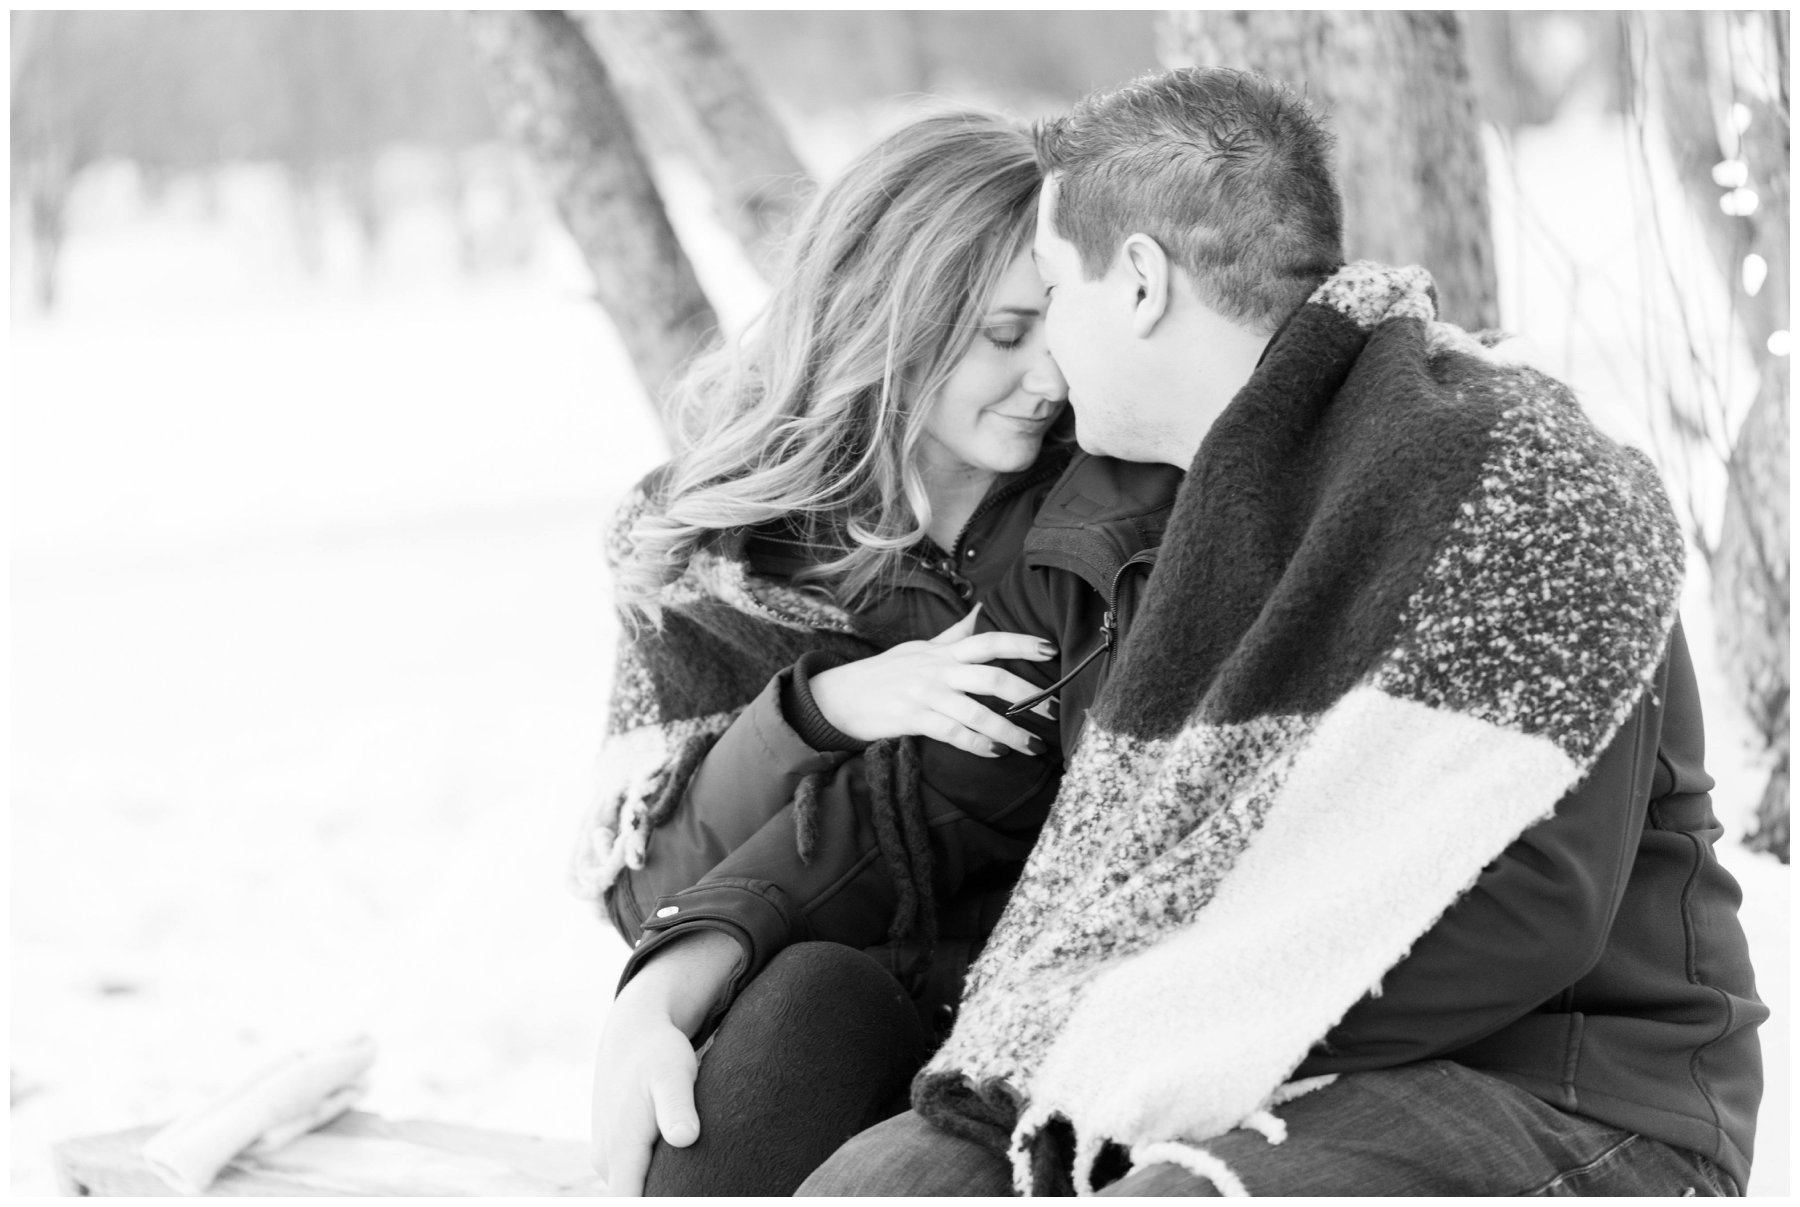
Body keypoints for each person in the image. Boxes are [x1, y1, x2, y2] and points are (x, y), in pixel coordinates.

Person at [797, 66, 1766, 1197]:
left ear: (1143, 284)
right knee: (887, 1183)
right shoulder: (1152, 511)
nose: (1048, 355)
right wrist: (701, 929)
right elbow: (936, 798)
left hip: (1569, 1082)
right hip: (1247, 1063)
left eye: (1055, 290)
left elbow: (1532, 908)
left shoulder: (1520, 484)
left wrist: (1156, 1043)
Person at [576, 110, 1158, 1196]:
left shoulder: (1103, 500)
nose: (1049, 379)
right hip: (841, 1015)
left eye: (1057, 330)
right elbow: (649, 890)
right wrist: (824, 712)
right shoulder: (717, 544)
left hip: (1059, 1020)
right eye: (1002, 334)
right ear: (897, 313)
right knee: (802, 997)